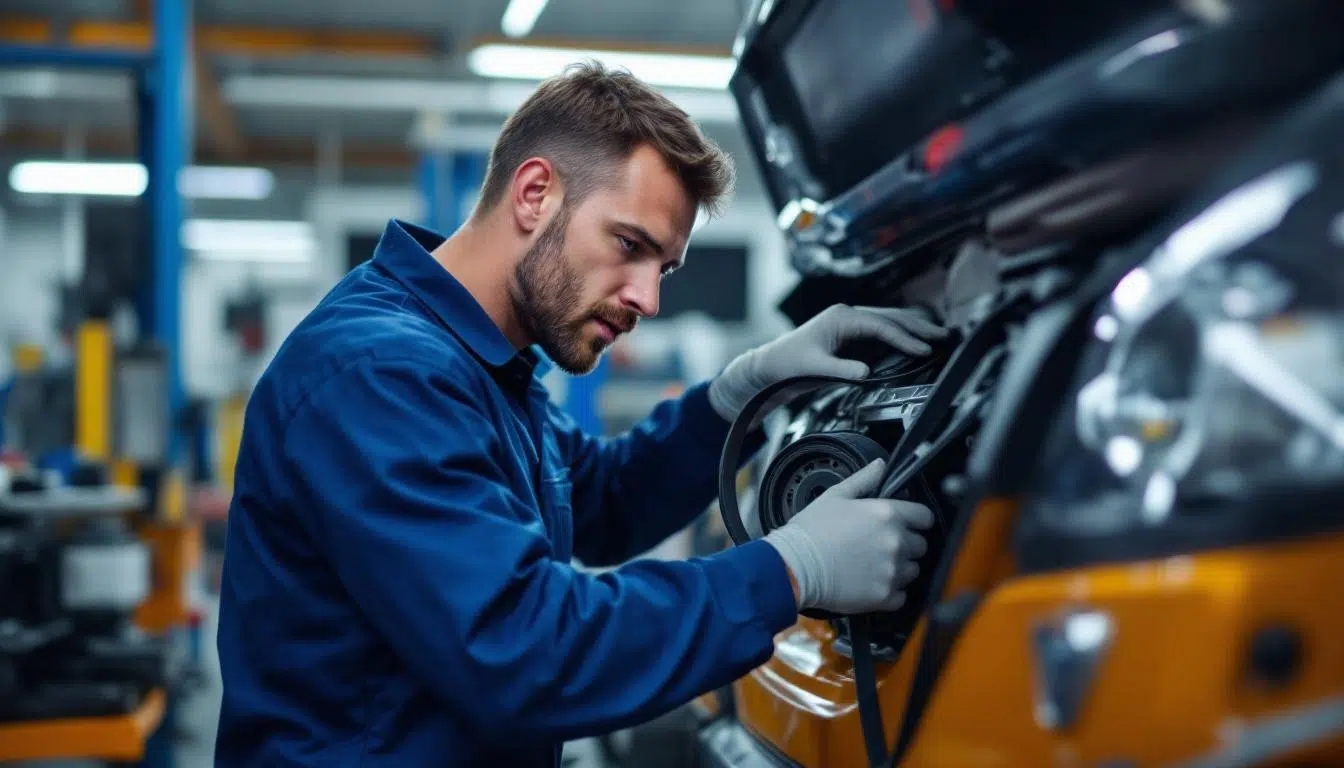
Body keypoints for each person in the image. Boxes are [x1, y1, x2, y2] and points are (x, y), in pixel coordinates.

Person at [213, 61, 945, 767]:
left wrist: (742, 394)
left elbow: (599, 496)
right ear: (534, 194)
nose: (647, 300)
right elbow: (525, 651)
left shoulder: (479, 365)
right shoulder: (381, 375)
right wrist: (790, 570)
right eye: (629, 245)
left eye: (664, 269)